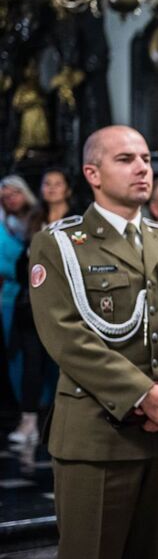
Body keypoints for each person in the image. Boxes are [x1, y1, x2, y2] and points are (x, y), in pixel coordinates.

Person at [28, 125, 158, 559]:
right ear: (92, 173)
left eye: (146, 159)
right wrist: (142, 394)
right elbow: (66, 335)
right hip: (99, 438)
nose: (142, 169)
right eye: (126, 159)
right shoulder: (60, 244)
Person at [9, 168, 76, 445]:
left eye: (57, 184)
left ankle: (66, 425)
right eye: (46, 183)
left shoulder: (77, 220)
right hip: (32, 304)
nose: (51, 188)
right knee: (31, 365)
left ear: (67, 189)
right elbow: (22, 264)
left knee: (65, 366)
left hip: (67, 302)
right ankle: (29, 423)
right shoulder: (34, 219)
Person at [0, 176, 36, 417]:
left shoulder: (38, 220)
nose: (11, 200)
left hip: (36, 296)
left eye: (15, 193)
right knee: (14, 354)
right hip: (9, 297)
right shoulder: (4, 226)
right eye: (5, 197)